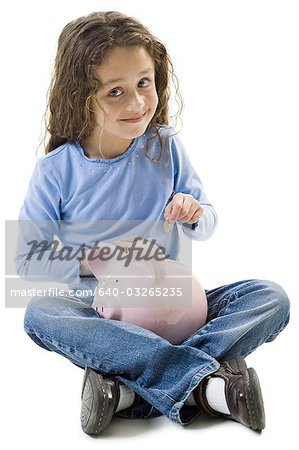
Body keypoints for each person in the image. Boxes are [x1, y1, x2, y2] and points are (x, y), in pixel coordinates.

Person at [17, 11, 290, 436]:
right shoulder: (58, 170)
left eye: (144, 83)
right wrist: (101, 260)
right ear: (80, 96)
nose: (138, 104)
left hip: (177, 303)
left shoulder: (164, 147)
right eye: (115, 92)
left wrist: (195, 212)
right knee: (40, 315)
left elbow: (208, 218)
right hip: (105, 314)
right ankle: (208, 386)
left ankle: (130, 390)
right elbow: (29, 259)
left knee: (269, 297)